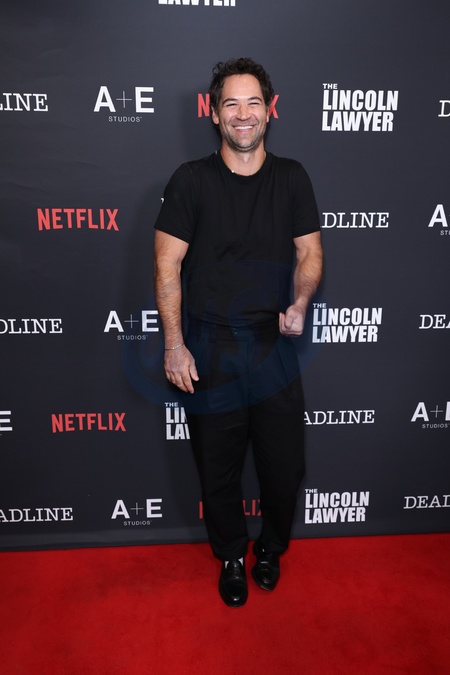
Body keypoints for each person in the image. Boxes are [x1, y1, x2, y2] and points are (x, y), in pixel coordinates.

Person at [154, 57, 322, 607]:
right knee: (218, 467)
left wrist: (300, 301)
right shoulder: (190, 181)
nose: (243, 114)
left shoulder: (292, 177)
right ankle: (230, 554)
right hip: (210, 347)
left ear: (270, 111)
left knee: (284, 467)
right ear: (214, 113)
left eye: (254, 103)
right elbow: (166, 265)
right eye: (231, 103)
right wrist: (174, 345)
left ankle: (270, 549)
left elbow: (310, 252)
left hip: (273, 345)